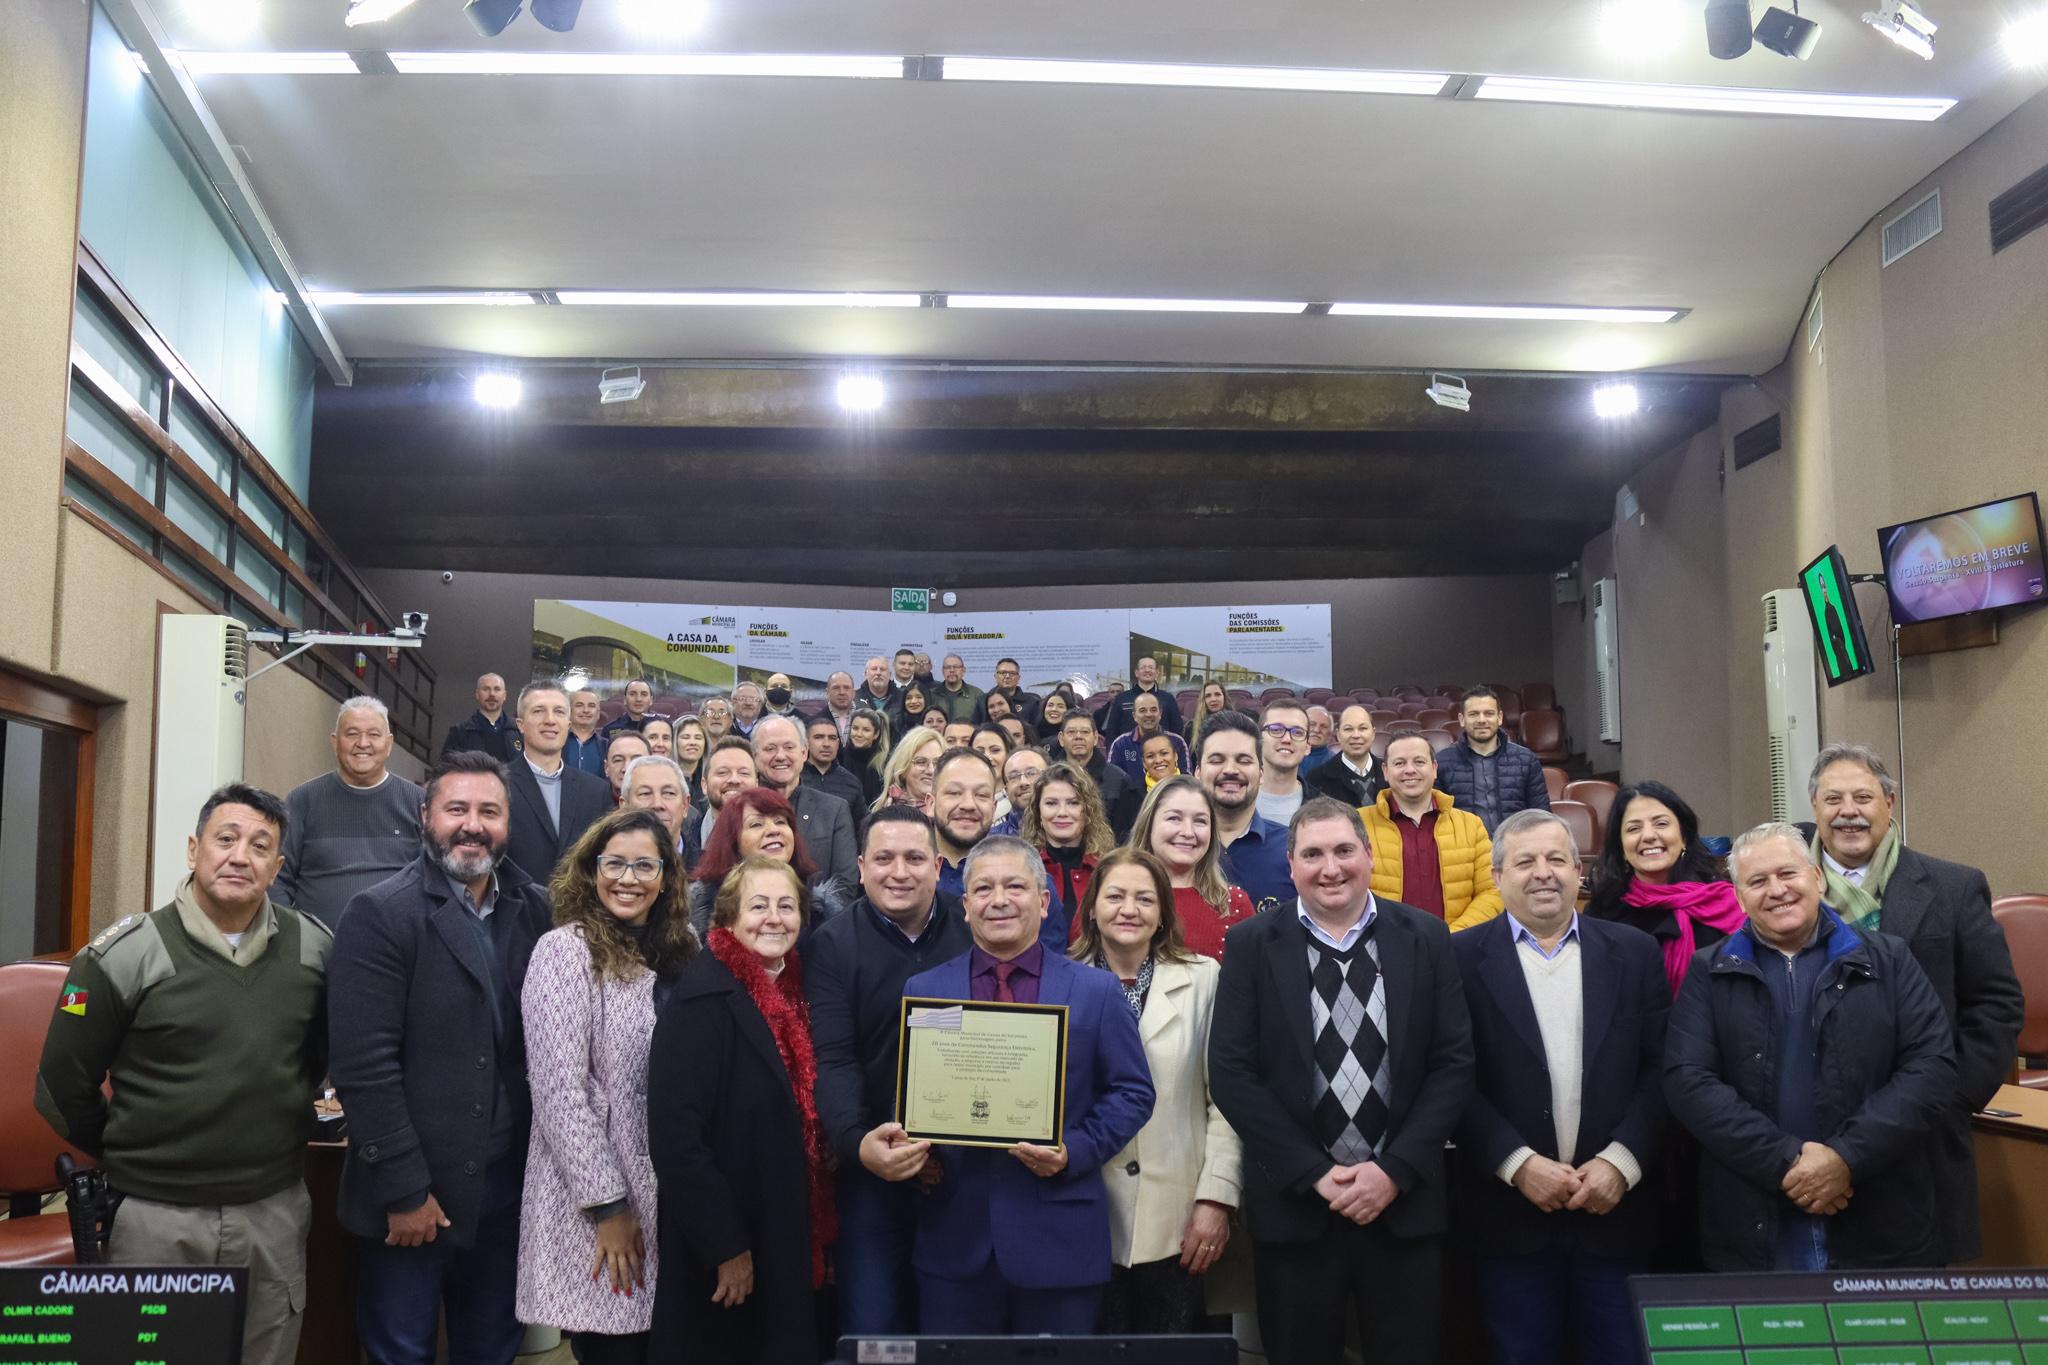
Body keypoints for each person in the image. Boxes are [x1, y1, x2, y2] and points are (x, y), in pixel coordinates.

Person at [37, 784, 329, 1365]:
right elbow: (60, 1085)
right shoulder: (125, 954)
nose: (239, 856)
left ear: (277, 867)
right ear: (194, 850)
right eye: (225, 839)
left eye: (259, 845)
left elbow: (316, 1058)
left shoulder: (314, 949)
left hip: (271, 1210)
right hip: (154, 1217)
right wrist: (134, 1150)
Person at [1207, 798, 1476, 1365]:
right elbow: (1231, 1072)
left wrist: (1394, 1170)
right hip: (1298, 1212)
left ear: (1369, 854)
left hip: (1404, 1207)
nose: (1330, 867)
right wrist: (1315, 1174)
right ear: (1291, 864)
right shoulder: (1253, 944)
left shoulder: (1426, 936)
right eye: (1313, 854)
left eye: (1343, 850)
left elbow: (1453, 1063)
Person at [328, 751, 554, 1365]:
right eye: (457, 809)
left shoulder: (533, 910)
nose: (472, 825)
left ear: (509, 823)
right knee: (401, 1352)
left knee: (492, 1349)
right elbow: (363, 1067)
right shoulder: (380, 914)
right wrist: (403, 1191)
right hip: (415, 1195)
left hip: (506, 1191)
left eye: (489, 811)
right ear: (427, 815)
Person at [1663, 821, 1956, 1271]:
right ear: (1739, 898)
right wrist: (1787, 1161)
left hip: (1878, 1213)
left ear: (1817, 877)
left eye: (1788, 874)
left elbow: (1931, 1068)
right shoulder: (1710, 972)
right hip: (1756, 1221)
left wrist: (1845, 1158)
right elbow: (1689, 1082)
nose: (1776, 890)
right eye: (1757, 882)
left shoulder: (1891, 959)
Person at [904, 835, 1156, 1333]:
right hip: (955, 1241)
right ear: (966, 905)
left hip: (1059, 1239)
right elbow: (915, 1091)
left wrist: (1073, 1150)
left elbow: (1134, 1092)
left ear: (1043, 903)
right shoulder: (927, 992)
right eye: (983, 889)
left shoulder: (1096, 991)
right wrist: (915, 1150)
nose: (999, 900)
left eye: (1015, 886)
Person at [1452, 810, 1669, 1365]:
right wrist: (1518, 1163)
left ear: (1580, 871)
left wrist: (1620, 1162)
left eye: (1556, 860)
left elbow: (1663, 1068)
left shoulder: (1635, 953)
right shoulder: (1456, 959)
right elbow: (1450, 1078)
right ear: (1497, 877)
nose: (1542, 873)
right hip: (1508, 1220)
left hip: (1616, 1214)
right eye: (1524, 862)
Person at [1802, 743, 2023, 1264]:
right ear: (1814, 809)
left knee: (1916, 1320)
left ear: (1890, 803)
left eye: (1863, 796)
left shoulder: (1952, 887)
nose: (1848, 811)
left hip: (1920, 1137)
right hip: (1810, 1146)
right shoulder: (1782, 892)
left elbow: (1995, 1003)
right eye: (1832, 798)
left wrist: (1950, 1097)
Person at [518, 809, 696, 1365]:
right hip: (602, 1198)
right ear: (591, 871)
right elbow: (559, 1096)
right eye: (614, 863)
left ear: (666, 876)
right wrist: (609, 1207)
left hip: (676, 1189)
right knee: (614, 1348)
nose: (628, 878)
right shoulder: (565, 951)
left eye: (644, 865)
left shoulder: (686, 947)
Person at [648, 857, 835, 1365]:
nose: (774, 918)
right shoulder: (701, 997)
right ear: (728, 918)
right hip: (730, 1244)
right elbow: (677, 1142)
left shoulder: (807, 990)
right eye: (758, 906)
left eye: (786, 906)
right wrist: (725, 1247)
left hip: (787, 1230)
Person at [804, 810, 972, 1333]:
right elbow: (835, 1059)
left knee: (957, 1333)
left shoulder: (972, 929)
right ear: (860, 867)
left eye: (915, 858)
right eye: (883, 858)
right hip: (874, 1166)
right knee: (873, 1331)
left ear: (939, 865)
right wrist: (859, 1145)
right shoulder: (831, 943)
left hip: (963, 1170)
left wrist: (940, 1148)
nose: (899, 871)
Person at [1070, 848, 1242, 1335]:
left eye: (1145, 898)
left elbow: (1225, 1103)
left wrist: (1217, 1199)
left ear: (1164, 911)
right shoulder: (1061, 981)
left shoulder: (1204, 978)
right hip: (1085, 1214)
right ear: (1092, 908)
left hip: (1180, 1221)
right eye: (1116, 896)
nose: (1129, 909)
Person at [1586, 780, 1746, 996]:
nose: (1649, 836)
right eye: (1634, 828)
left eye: (1661, 824)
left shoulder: (1724, 900)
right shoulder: (1603, 912)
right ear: (1621, 846)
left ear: (1684, 837)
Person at [277, 695, 423, 928]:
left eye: (374, 734)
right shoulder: (302, 800)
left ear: (389, 743)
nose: (363, 743)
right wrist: (288, 935)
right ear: (335, 742)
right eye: (352, 734)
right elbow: (278, 879)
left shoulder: (418, 802)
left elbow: (436, 880)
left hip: (399, 951)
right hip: (316, 951)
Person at [1358, 732, 1505, 932]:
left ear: (1434, 769)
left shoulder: (1471, 826)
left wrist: (1451, 937)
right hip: (1383, 951)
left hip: (1458, 948)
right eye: (1399, 763)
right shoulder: (1357, 824)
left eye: (1419, 762)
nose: (1410, 770)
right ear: (1385, 771)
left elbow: (1492, 890)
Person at [1127, 775, 1256, 961]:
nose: (1188, 832)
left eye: (1200, 821)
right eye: (1174, 818)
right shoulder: (1112, 898)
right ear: (1149, 823)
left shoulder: (1234, 904)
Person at [689, 785, 839, 939]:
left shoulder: (820, 914)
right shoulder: (700, 912)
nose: (773, 830)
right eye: (756, 824)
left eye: (780, 821)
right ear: (732, 840)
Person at [505, 681, 612, 892]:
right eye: (538, 711)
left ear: (568, 722)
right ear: (520, 724)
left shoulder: (597, 791)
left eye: (559, 712)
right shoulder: (497, 785)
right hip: (515, 915)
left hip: (580, 916)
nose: (550, 720)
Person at [752, 714, 860, 900]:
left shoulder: (834, 810)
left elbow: (845, 885)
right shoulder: (740, 810)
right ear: (755, 756)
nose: (780, 756)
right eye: (770, 748)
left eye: (789, 747)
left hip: (819, 924)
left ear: (804, 753)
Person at [1197, 711, 1293, 912]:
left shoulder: (1294, 848)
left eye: (1244, 760)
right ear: (1197, 773)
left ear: (1261, 774)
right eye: (1216, 760)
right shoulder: (1170, 848)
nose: (1230, 769)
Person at [1433, 686, 1550, 833]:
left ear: (1499, 718)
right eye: (1474, 714)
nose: (1482, 720)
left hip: (1514, 849)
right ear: (1462, 719)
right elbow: (1435, 819)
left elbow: (1541, 814)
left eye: (1488, 713)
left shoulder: (1526, 760)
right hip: (1465, 852)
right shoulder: (1442, 762)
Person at [1021, 760, 1114, 939]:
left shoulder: (1108, 870)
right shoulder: (1023, 870)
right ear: (1038, 812)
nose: (1062, 812)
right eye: (1051, 803)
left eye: (1073, 803)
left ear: (1087, 811)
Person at [1056, 708, 1137, 835]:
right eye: (1071, 732)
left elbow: (1126, 835)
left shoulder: (1119, 780)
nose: (1078, 737)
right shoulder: (1048, 779)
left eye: (1085, 732)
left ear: (1095, 738)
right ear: (1061, 738)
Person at [622, 755, 695, 875]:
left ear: (685, 806)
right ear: (624, 806)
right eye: (645, 793)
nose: (657, 804)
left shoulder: (712, 874)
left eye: (668, 793)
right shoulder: (601, 869)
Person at [1304, 704, 1386, 809]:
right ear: (1338, 735)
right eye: (1348, 729)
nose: (1356, 735)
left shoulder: (1390, 772)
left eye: (1363, 728)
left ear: (1373, 733)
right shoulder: (1316, 779)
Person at [1106, 692, 1190, 783]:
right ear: (1134, 716)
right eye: (1142, 710)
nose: (1148, 714)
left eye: (1153, 710)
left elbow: (1187, 780)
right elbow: (1111, 780)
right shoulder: (1120, 744)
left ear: (1160, 713)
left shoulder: (1177, 742)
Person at [1254, 699, 1312, 827]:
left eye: (1297, 732)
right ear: (1259, 740)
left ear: (1308, 747)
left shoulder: (1326, 809)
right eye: (1275, 729)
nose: (1287, 739)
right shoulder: (1231, 801)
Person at [798, 712, 868, 815]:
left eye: (832, 738)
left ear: (838, 743)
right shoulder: (794, 778)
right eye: (819, 737)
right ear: (806, 743)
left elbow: (862, 825)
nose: (826, 744)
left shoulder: (852, 782)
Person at [1099, 655, 1182, 740]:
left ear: (1157, 672)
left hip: (1159, 750)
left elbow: (1177, 730)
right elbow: (1111, 732)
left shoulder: (1168, 699)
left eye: (1151, 667)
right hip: (1127, 750)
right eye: (1143, 667)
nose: (1147, 670)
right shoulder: (1121, 698)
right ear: (1136, 673)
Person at [698, 737, 760, 847]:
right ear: (704, 785)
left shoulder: (772, 837)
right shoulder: (686, 835)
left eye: (744, 773)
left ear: (756, 784)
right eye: (722, 772)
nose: (734, 780)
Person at [443, 672, 516, 761]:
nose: (492, 694)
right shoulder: (459, 733)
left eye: (497, 689)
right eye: (486, 689)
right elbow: (446, 768)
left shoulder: (520, 731)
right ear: (477, 694)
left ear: (505, 695)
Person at [873, 727, 943, 817]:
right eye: (921, 762)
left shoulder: (954, 817)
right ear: (903, 768)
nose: (931, 770)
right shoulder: (880, 818)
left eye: (937, 763)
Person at [992, 746, 1047, 837]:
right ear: (1006, 790)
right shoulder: (992, 841)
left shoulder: (1072, 833)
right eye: (1014, 776)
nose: (1023, 782)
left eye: (1031, 773)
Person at [842, 710, 891, 809]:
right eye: (855, 728)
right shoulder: (840, 756)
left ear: (876, 734)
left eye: (866, 730)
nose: (859, 734)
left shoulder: (885, 763)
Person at [986, 657, 1042, 728]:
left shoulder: (1032, 702)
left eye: (1012, 673)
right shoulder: (984, 700)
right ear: (995, 677)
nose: (1007, 676)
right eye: (1003, 673)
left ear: (1018, 678)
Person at [932, 653, 986, 724]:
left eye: (956, 667)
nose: (952, 670)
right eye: (948, 667)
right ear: (942, 671)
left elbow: (984, 723)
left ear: (963, 670)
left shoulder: (976, 694)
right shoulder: (932, 694)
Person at [565, 689, 608, 777]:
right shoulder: (556, 742)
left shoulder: (607, 746)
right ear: (569, 711)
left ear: (598, 713)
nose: (585, 710)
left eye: (591, 706)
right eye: (579, 705)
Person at [603, 731, 651, 804]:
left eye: (636, 760)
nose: (627, 768)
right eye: (618, 760)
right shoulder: (591, 806)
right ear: (606, 768)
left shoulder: (660, 805)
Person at [672, 716, 709, 807]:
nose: (692, 742)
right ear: (674, 742)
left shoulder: (710, 779)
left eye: (698, 737)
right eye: (685, 737)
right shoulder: (667, 779)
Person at [1183, 680, 1229, 750]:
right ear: (1203, 700)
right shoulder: (1191, 728)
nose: (1213, 699)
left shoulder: (1236, 724)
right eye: (1208, 696)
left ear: (1224, 697)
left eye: (1217, 694)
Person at [820, 670, 859, 741]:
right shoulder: (813, 722)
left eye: (847, 688)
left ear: (853, 693)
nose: (842, 692)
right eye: (836, 688)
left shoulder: (868, 719)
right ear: (827, 692)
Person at [1300, 705, 1335, 774]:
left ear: (1330, 734)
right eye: (1312, 724)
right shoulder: (1286, 756)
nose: (1317, 730)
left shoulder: (1336, 763)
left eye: (1323, 726)